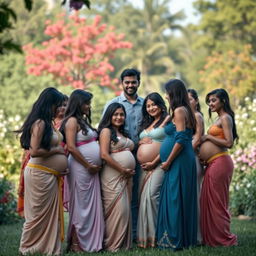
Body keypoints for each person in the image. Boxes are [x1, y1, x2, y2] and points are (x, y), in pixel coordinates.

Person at [16, 87, 68, 255]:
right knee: (37, 216)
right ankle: (27, 248)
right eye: (57, 105)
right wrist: (57, 152)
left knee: (48, 216)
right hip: (38, 175)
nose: (59, 108)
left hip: (49, 175)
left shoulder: (48, 123)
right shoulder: (39, 123)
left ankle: (46, 247)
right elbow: (34, 151)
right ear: (49, 104)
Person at [60, 89, 104, 252]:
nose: (89, 106)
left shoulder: (83, 121)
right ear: (79, 103)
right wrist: (88, 165)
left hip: (90, 170)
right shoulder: (72, 121)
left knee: (90, 206)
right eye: (86, 103)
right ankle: (76, 244)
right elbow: (71, 147)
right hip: (80, 168)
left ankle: (90, 241)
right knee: (81, 205)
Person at [156, 79, 197, 250]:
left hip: (179, 160)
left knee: (175, 197)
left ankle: (174, 238)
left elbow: (180, 140)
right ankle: (182, 237)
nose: (165, 96)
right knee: (177, 195)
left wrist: (168, 161)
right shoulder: (180, 110)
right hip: (179, 159)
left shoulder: (180, 111)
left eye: (167, 93)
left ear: (174, 93)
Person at [103, 68, 143, 239]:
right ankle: (113, 234)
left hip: (140, 157)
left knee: (135, 195)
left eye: (133, 82)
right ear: (122, 83)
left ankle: (133, 234)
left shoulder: (145, 104)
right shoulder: (113, 104)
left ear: (138, 82)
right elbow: (105, 128)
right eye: (127, 82)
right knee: (117, 199)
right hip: (116, 158)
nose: (130, 85)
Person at [199, 88, 238, 247]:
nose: (210, 104)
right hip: (212, 163)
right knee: (210, 201)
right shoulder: (219, 118)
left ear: (223, 101)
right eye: (209, 101)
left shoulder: (226, 118)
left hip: (221, 162)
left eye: (214, 100)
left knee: (218, 202)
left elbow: (229, 143)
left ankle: (224, 239)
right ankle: (212, 238)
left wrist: (208, 137)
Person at [98, 103, 135, 251]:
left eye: (121, 114)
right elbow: (104, 155)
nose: (119, 117)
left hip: (126, 177)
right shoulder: (106, 131)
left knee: (126, 210)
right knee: (118, 209)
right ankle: (111, 245)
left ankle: (123, 244)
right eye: (116, 114)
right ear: (109, 116)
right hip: (112, 175)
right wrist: (122, 170)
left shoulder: (123, 132)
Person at [136, 92, 169, 248]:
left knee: (152, 196)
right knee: (143, 200)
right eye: (148, 106)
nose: (151, 108)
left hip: (159, 165)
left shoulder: (168, 120)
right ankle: (146, 239)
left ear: (161, 105)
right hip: (144, 168)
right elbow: (141, 142)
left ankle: (158, 235)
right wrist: (139, 142)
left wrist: (154, 162)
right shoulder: (146, 124)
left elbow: (168, 145)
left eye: (154, 104)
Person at [187, 88, 205, 244]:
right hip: (187, 158)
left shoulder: (197, 116)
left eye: (190, 99)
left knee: (196, 196)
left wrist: (181, 151)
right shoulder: (185, 116)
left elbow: (198, 139)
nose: (188, 102)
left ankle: (198, 236)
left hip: (192, 158)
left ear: (196, 101)